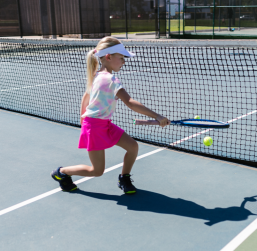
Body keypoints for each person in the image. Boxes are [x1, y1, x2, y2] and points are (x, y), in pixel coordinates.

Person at [51, 37, 170, 194]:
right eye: (121, 58)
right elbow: (130, 102)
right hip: (94, 127)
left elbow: (85, 99)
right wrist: (158, 116)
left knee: (133, 147)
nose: (124, 62)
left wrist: (82, 122)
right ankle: (62, 173)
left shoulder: (96, 75)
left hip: (102, 124)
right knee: (97, 171)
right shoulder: (110, 79)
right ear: (108, 57)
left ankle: (124, 178)